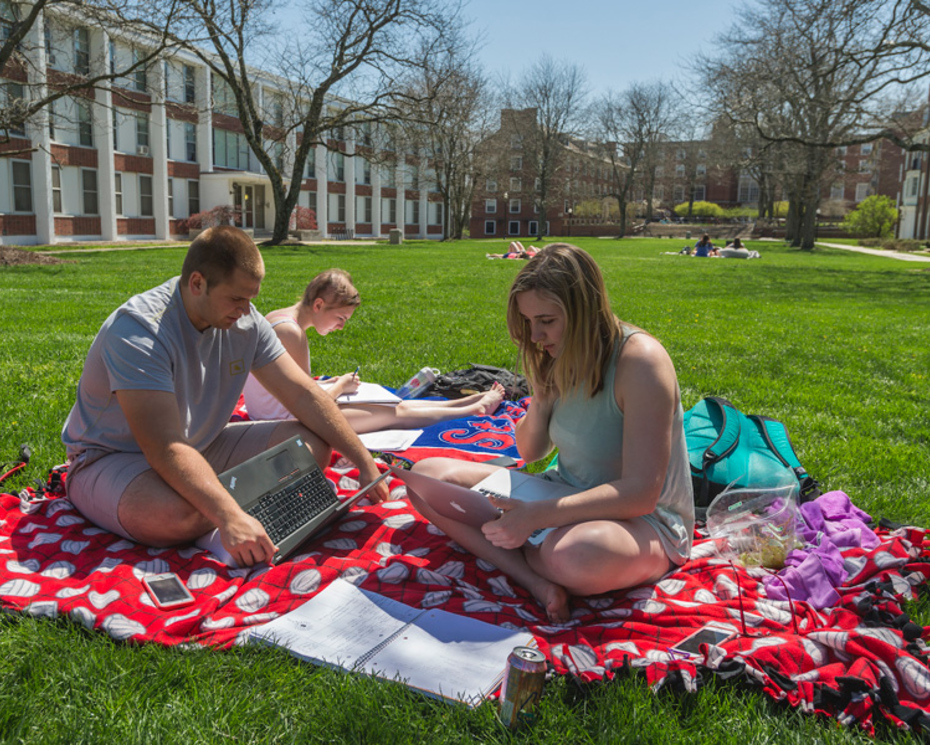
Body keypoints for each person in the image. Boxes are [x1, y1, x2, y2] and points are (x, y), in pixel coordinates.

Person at [62, 226, 389, 568]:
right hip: (113, 457)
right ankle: (222, 525)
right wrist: (228, 515)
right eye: (236, 298)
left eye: (251, 298)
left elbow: (304, 393)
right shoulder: (139, 331)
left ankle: (224, 513)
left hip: (202, 444)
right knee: (176, 513)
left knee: (311, 448)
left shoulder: (246, 320)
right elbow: (164, 446)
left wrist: (363, 460)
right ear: (197, 283)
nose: (245, 310)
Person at [404, 244, 694, 623]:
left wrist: (536, 516)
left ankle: (524, 549)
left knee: (579, 555)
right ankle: (535, 580)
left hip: (643, 522)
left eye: (547, 320)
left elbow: (640, 494)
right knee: (425, 480)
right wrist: (541, 397)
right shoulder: (560, 354)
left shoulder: (639, 362)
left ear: (585, 311)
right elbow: (531, 451)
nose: (536, 335)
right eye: (527, 322)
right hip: (564, 494)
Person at [242, 269, 505, 430]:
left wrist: (329, 382)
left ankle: (465, 401)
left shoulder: (279, 317)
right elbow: (307, 404)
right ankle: (472, 410)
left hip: (276, 412)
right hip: (288, 423)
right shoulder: (291, 332)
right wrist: (341, 386)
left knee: (393, 405)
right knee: (394, 412)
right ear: (319, 305)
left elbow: (289, 382)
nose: (341, 327)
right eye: (340, 318)